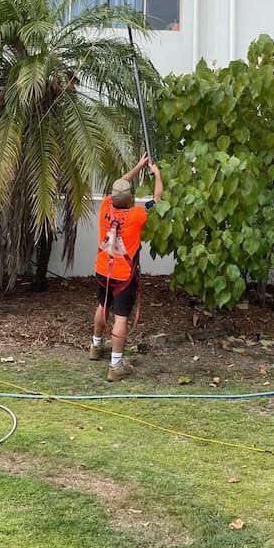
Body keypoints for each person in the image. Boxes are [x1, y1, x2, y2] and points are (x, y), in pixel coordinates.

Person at [90, 154, 164, 381]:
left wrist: (137, 167)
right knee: (120, 318)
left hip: (103, 270)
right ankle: (115, 365)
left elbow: (120, 183)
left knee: (102, 306)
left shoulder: (104, 207)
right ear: (130, 199)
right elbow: (157, 200)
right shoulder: (136, 215)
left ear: (113, 197)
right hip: (124, 276)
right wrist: (156, 174)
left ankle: (96, 346)